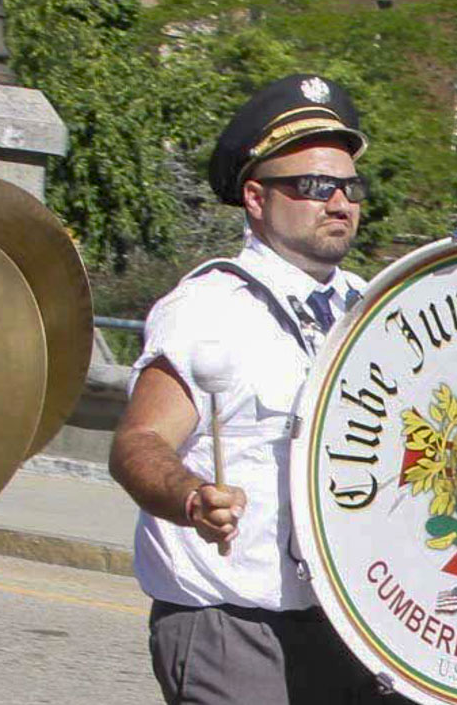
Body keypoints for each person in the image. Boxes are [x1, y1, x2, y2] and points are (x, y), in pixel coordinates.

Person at [110, 74, 406, 704]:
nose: (340, 203)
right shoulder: (208, 307)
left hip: (351, 622)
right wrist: (190, 497)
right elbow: (138, 441)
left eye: (351, 187)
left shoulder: (370, 306)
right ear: (256, 196)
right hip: (233, 624)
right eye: (314, 186)